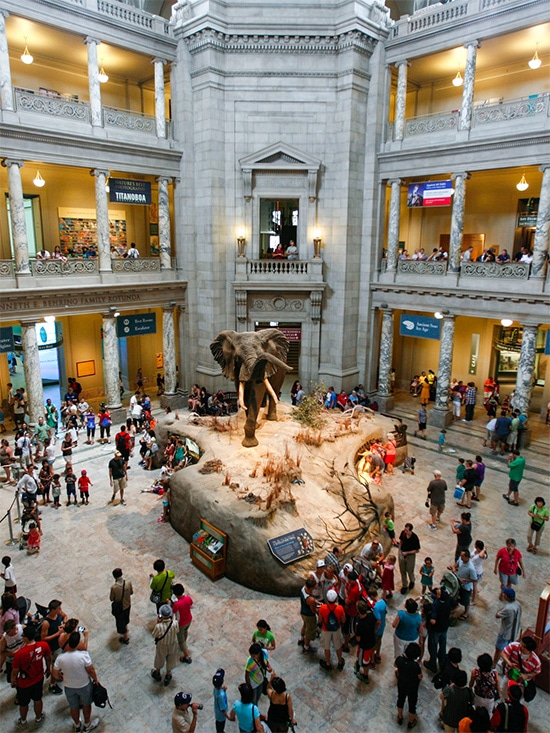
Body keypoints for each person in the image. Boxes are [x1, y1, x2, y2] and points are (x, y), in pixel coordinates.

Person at [52, 631, 100, 732]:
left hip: (69, 687)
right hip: (84, 685)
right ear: (78, 643)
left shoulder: (60, 658)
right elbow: (90, 670)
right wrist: (95, 679)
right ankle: (87, 725)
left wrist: (62, 677)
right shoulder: (83, 655)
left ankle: (77, 725)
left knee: (74, 706)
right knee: (86, 705)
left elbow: (55, 673)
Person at [11, 625, 51, 728]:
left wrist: (13, 681)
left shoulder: (19, 653)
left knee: (23, 704)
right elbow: (48, 658)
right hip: (38, 679)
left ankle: (23, 722)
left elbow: (15, 671)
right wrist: (48, 668)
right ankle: (38, 718)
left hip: (24, 683)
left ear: (26, 637)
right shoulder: (43, 645)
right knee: (38, 699)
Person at [41, 599, 68, 694]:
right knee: (55, 666)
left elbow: (65, 616)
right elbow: (43, 638)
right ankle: (52, 684)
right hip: (53, 647)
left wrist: (64, 624)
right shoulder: (46, 623)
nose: (60, 610)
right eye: (58, 608)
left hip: (61, 644)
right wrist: (57, 634)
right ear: (53, 610)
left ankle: (59, 674)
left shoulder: (59, 613)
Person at [425, 586, 453, 673]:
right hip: (444, 627)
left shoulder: (436, 604)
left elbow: (433, 621)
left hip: (436, 629)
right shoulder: (449, 600)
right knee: (443, 645)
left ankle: (432, 664)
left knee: (433, 646)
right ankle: (442, 662)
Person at [395, 642, 422, 730]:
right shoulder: (415, 666)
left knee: (401, 699)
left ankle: (400, 716)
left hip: (402, 684)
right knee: (412, 703)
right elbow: (419, 676)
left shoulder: (400, 660)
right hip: (412, 687)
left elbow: (395, 665)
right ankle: (411, 721)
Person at [151, 604, 179, 686]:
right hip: (172, 644)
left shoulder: (159, 626)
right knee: (171, 659)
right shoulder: (175, 623)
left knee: (159, 658)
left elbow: (154, 635)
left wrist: (157, 623)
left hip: (162, 646)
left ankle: (157, 673)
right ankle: (168, 674)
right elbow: (177, 631)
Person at [318, 588, 346, 671]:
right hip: (336, 629)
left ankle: (328, 663)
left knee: (327, 647)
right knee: (338, 646)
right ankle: (340, 662)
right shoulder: (340, 608)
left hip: (326, 629)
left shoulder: (322, 608)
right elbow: (343, 620)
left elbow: (320, 620)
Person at [354, 599, 377, 683]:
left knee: (365, 661)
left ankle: (365, 675)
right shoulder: (371, 615)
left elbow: (358, 639)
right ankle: (361, 663)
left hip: (364, 645)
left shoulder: (360, 624)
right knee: (366, 656)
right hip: (371, 640)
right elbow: (377, 623)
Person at [451, 550, 477, 621]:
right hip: (458, 582)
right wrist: (453, 568)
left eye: (462, 556)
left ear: (467, 557)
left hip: (466, 586)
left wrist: (465, 580)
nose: (461, 557)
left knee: (466, 600)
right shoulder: (461, 559)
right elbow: (457, 564)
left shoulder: (471, 568)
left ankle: (466, 613)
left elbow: (474, 579)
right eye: (461, 555)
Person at [110, 567, 133, 645]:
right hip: (128, 604)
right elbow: (131, 592)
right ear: (121, 574)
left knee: (120, 622)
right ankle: (126, 628)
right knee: (126, 618)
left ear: (114, 576)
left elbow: (111, 598)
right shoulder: (128, 583)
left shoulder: (114, 587)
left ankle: (125, 638)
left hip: (120, 608)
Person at [172, 583, 193, 664]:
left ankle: (186, 655)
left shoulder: (177, 604)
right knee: (185, 631)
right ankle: (184, 644)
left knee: (180, 640)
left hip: (181, 623)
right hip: (189, 619)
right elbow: (191, 603)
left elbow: (173, 612)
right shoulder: (188, 598)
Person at [398, 523, 421, 593]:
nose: (405, 531)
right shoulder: (403, 533)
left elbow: (417, 550)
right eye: (405, 530)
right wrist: (399, 550)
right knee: (402, 570)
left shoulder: (414, 538)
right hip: (402, 553)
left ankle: (412, 581)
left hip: (410, 555)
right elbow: (401, 540)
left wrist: (407, 553)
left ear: (411, 531)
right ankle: (404, 585)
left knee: (410, 570)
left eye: (407, 530)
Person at [298, 576, 317, 653]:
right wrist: (318, 610)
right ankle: (306, 647)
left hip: (303, 612)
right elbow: (313, 610)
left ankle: (301, 639)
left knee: (305, 625)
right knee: (309, 631)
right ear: (311, 588)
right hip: (309, 615)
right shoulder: (310, 599)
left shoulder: (303, 589)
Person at [212, 668, 230, 733]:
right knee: (220, 726)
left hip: (217, 714)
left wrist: (223, 689)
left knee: (218, 724)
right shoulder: (221, 696)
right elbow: (222, 709)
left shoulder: (215, 689)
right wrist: (228, 717)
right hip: (221, 716)